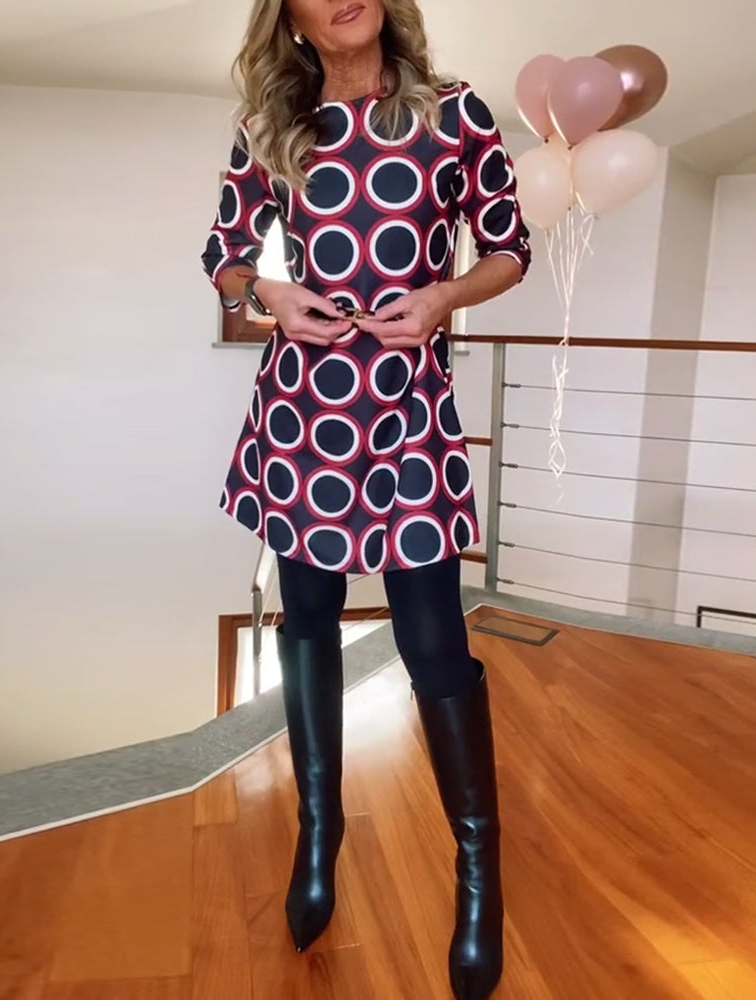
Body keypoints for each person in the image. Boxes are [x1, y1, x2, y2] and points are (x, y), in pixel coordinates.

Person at [202, 1, 530, 997]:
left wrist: (442, 298)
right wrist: (268, 294)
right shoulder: (272, 124)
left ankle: (478, 871)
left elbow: (507, 246)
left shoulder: (454, 112)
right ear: (292, 18)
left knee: (433, 640)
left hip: (406, 405)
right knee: (305, 614)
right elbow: (224, 254)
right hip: (304, 406)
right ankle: (320, 829)